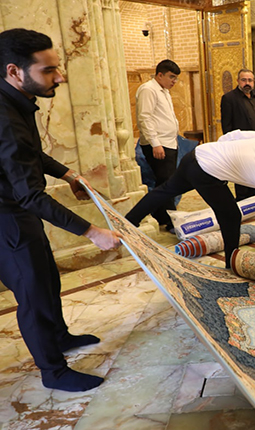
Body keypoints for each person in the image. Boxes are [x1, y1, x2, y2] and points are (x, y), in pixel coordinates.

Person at [0, 29, 122, 392]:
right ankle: (53, 371)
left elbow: (29, 153)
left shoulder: (15, 101)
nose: (60, 77)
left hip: (17, 208)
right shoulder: (5, 118)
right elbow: (31, 196)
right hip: (7, 218)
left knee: (47, 276)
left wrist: (68, 174)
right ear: (14, 71)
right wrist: (92, 232)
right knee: (33, 292)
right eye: (49, 70)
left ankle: (60, 336)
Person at [126, 130, 255, 266]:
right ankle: (231, 262)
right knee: (231, 215)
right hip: (206, 173)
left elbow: (234, 134)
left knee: (164, 191)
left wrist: (219, 151)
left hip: (196, 155)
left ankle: (129, 221)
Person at [135, 59, 181, 231]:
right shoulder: (148, 89)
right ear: (160, 75)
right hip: (159, 144)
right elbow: (145, 118)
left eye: (176, 78)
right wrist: (155, 143)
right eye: (171, 77)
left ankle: (162, 216)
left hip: (168, 142)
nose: (174, 81)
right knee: (167, 184)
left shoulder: (164, 90)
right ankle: (170, 221)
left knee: (166, 182)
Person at [220, 69, 255, 202]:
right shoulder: (229, 98)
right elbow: (226, 125)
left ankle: (254, 200)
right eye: (244, 80)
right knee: (243, 176)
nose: (247, 83)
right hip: (242, 146)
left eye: (250, 80)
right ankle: (243, 202)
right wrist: (231, 146)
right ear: (238, 81)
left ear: (253, 82)